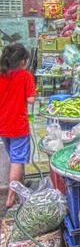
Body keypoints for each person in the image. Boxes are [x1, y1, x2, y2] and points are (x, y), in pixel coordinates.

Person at [0, 43, 36, 208]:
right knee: (17, 160)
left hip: (3, 125)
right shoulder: (25, 76)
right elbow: (31, 100)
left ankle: (20, 183)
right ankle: (11, 197)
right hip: (18, 126)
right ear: (22, 61)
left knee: (13, 155)